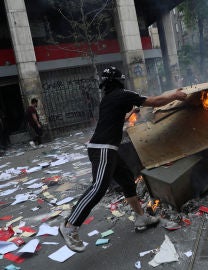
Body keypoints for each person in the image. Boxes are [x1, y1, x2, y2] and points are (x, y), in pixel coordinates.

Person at [59, 66, 188, 252]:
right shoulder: (122, 94)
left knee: (127, 180)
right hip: (103, 148)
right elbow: (154, 102)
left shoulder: (108, 99)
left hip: (107, 149)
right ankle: (70, 226)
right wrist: (174, 96)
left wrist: (131, 113)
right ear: (120, 81)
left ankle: (141, 217)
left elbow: (121, 117)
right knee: (98, 187)